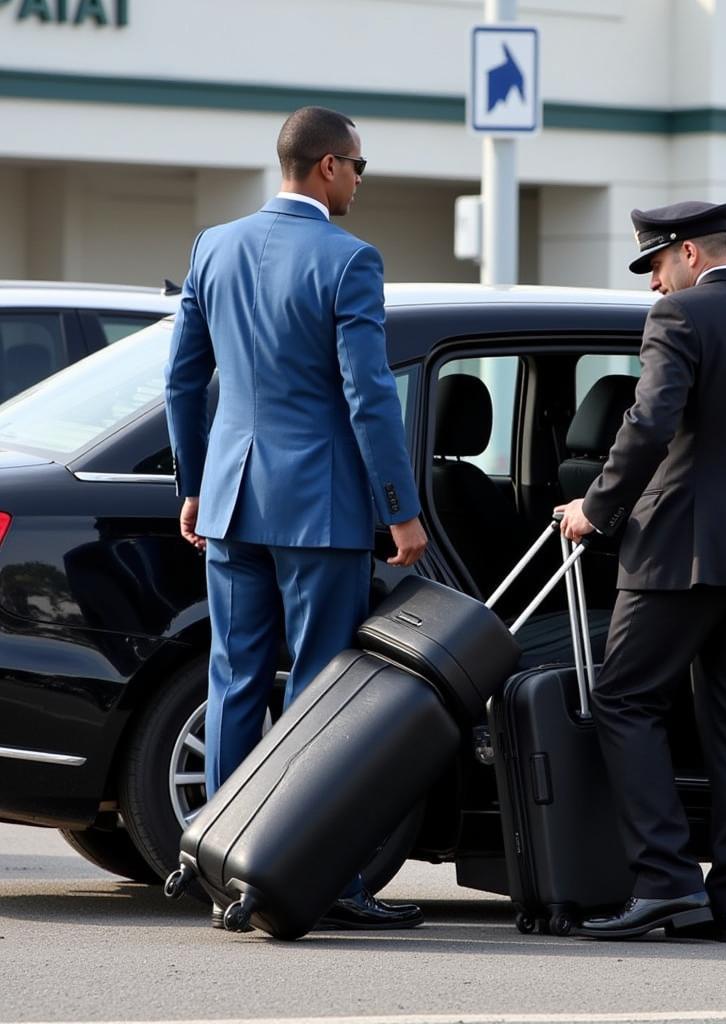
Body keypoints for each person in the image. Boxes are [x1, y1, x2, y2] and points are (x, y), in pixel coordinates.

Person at [164, 106, 428, 931]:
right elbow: (368, 395)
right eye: (357, 166)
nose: (359, 179)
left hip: (234, 503)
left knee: (235, 683)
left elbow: (181, 381)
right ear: (325, 167)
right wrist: (402, 511)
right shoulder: (350, 261)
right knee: (319, 698)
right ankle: (315, 881)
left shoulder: (215, 245)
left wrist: (196, 483)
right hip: (320, 511)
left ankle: (219, 875)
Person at [557, 200, 726, 942]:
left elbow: (649, 423)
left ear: (690, 256)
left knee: (624, 701)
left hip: (682, 549)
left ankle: (667, 882)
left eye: (656, 267)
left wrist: (595, 510)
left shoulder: (682, 320)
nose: (652, 287)